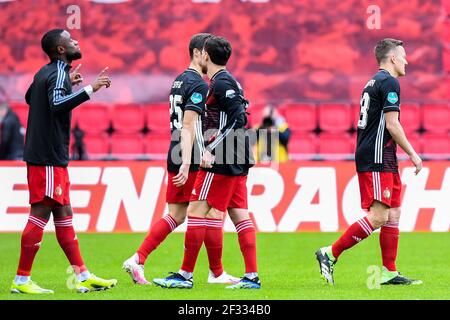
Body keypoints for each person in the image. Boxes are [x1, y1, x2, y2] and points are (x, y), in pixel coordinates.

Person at [122, 33, 239, 285]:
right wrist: (194, 157)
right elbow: (191, 125)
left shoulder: (178, 81)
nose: (208, 58)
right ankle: (211, 273)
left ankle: (137, 259)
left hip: (174, 150)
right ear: (198, 53)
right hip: (193, 155)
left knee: (176, 214)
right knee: (210, 213)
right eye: (206, 52)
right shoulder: (198, 84)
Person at [11, 29, 117, 294]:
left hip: (50, 156)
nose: (76, 42)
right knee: (40, 213)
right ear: (60, 49)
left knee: (64, 213)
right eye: (70, 40)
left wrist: (67, 82)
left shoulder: (46, 73)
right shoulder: (57, 71)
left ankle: (82, 275)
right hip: (47, 156)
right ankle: (22, 280)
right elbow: (57, 104)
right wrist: (91, 88)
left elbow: (30, 98)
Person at [153, 35, 260, 290]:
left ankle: (185, 276)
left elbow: (239, 118)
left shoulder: (221, 83)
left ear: (205, 56)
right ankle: (252, 277)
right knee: (239, 214)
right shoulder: (227, 81)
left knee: (195, 210)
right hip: (237, 156)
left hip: (222, 157)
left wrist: (211, 148)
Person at [315, 38, 423, 285]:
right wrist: (413, 154)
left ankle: (389, 272)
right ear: (393, 58)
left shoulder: (374, 81)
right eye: (403, 56)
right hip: (376, 157)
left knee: (393, 213)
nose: (407, 61)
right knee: (379, 217)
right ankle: (330, 253)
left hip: (383, 154)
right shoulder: (390, 81)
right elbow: (392, 124)